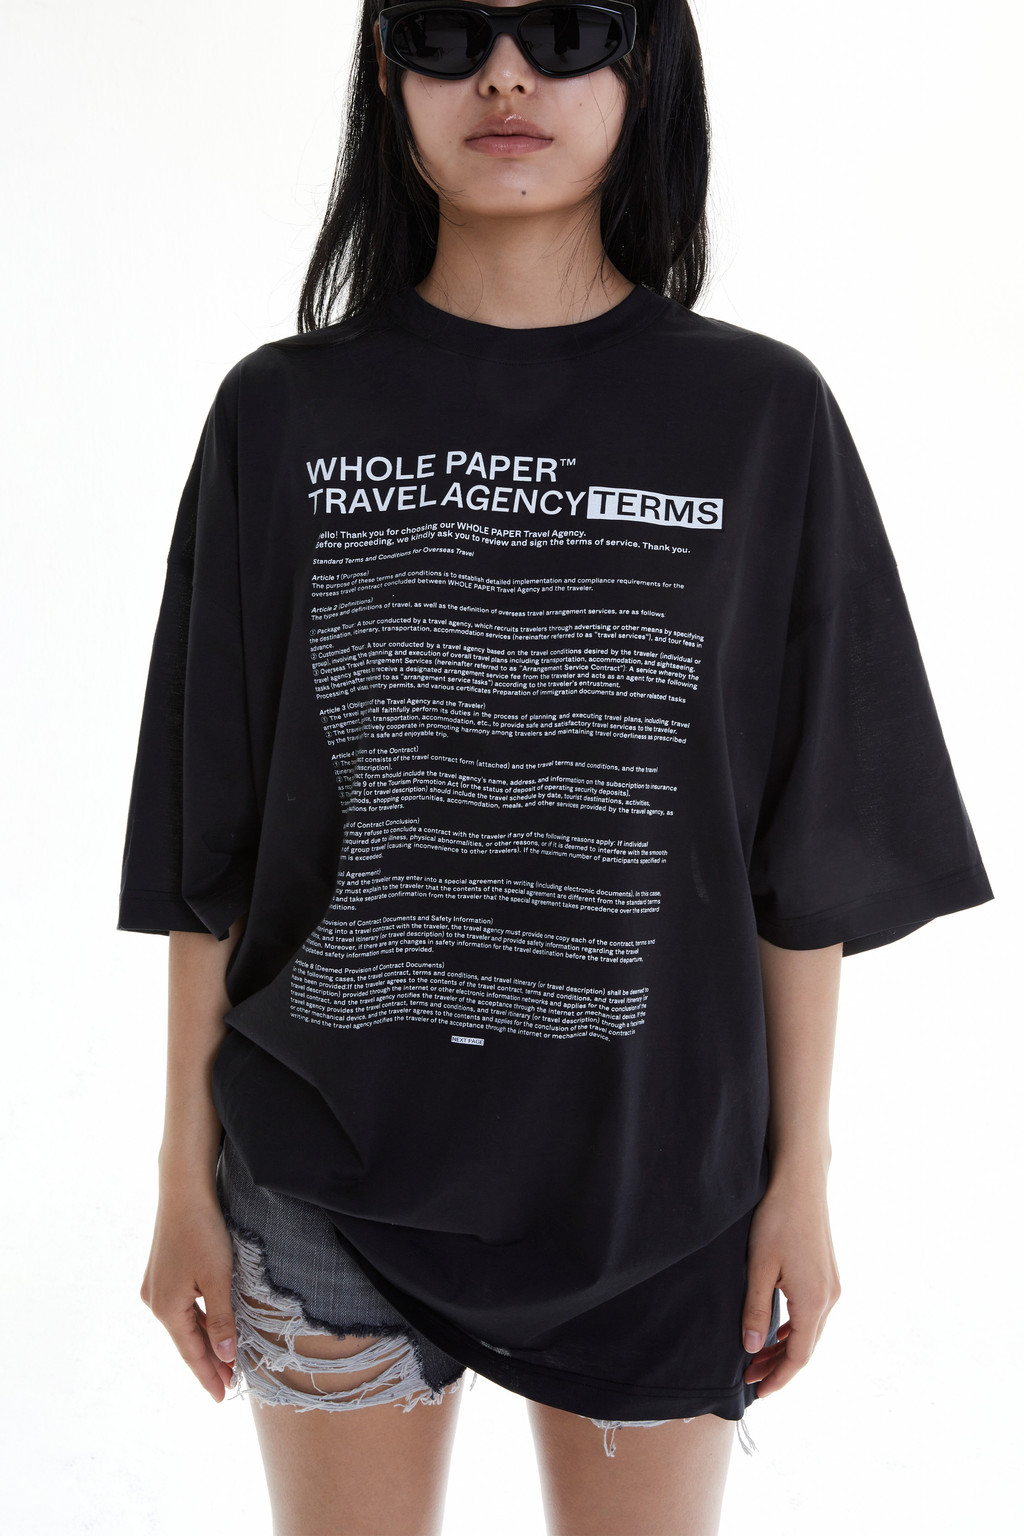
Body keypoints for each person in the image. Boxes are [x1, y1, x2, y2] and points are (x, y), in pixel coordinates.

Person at [118, 3, 995, 1533]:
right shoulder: (282, 413)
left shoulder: (761, 417)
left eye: (566, 30)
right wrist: (178, 1184)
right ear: (386, 74)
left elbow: (804, 857)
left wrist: (802, 1180)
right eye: (447, 33)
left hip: (656, 1188)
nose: (505, 75)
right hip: (324, 1172)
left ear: (643, 66)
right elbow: (214, 847)